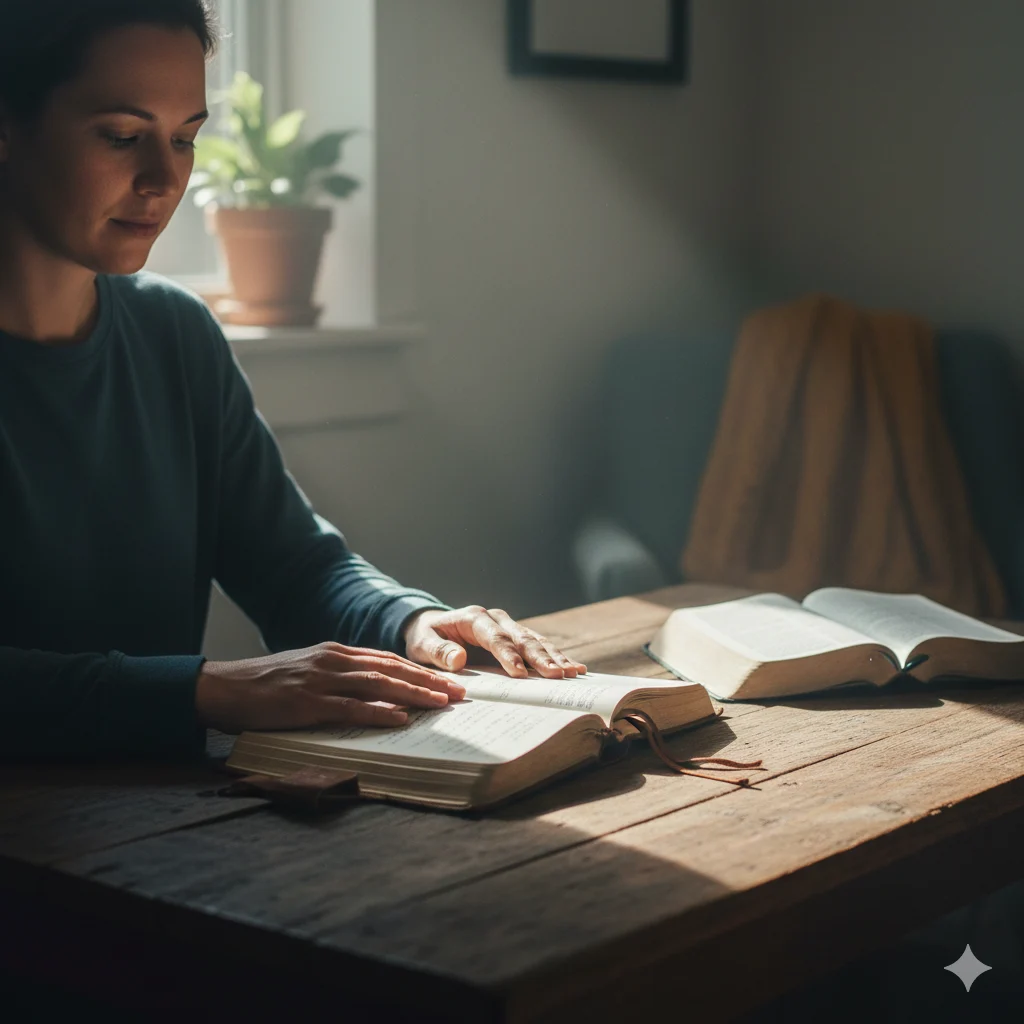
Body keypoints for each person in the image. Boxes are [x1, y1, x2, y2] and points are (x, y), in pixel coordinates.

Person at [0, 0, 586, 760]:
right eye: (121, 136)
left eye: (185, 138)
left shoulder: (174, 333)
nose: (164, 177)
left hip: (167, 821)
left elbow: (294, 566)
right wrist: (207, 690)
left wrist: (412, 622)